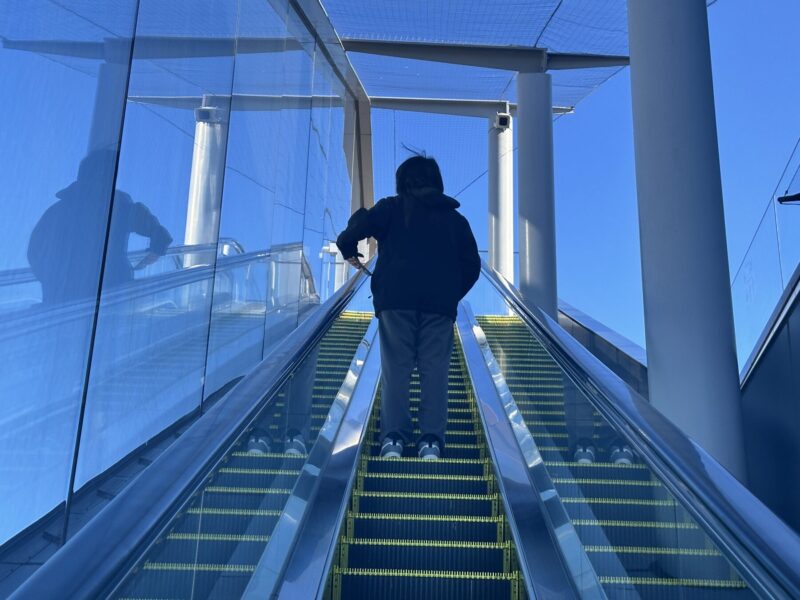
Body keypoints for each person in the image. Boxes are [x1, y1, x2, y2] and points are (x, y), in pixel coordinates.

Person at [336, 156, 480, 460]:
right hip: (439, 307)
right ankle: (431, 442)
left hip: (395, 301)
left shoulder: (391, 208)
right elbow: (472, 266)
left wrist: (349, 248)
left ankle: (394, 439)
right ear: (436, 181)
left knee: (396, 370)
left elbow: (356, 228)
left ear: (402, 181)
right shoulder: (456, 221)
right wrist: (450, 294)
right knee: (435, 371)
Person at [27, 150, 172, 305]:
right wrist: (155, 250)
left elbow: (35, 252)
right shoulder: (118, 205)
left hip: (62, 297)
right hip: (111, 292)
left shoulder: (58, 210)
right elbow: (159, 233)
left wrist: (55, 281)